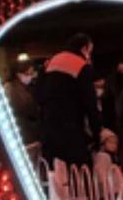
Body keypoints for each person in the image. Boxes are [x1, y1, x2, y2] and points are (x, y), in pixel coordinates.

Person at [37, 33, 101, 168]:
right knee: (80, 172)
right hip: (71, 128)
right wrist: (97, 133)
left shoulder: (51, 62)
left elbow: (38, 94)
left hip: (49, 127)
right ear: (84, 48)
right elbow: (90, 103)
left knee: (55, 173)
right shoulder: (81, 66)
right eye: (90, 51)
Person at [3, 56, 40, 147]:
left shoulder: (27, 87)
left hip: (30, 131)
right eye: (28, 74)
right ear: (19, 74)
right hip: (22, 131)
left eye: (32, 73)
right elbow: (24, 107)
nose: (31, 77)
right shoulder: (11, 88)